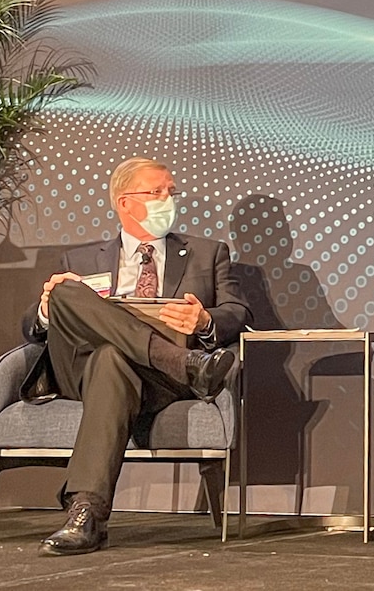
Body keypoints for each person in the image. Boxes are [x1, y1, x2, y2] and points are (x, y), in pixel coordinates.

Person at [20, 157, 251, 555]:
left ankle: (86, 513)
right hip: (83, 371)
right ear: (124, 203)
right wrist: (47, 308)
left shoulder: (207, 253)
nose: (168, 199)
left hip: (158, 383)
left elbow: (240, 313)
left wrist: (203, 321)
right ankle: (182, 362)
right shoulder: (80, 260)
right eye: (156, 192)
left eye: (170, 192)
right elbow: (30, 327)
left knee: (112, 358)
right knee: (64, 293)